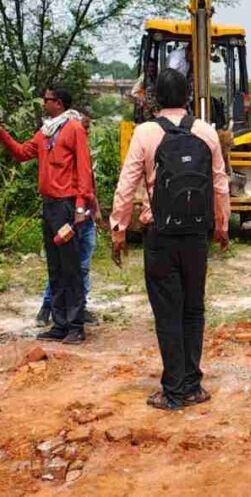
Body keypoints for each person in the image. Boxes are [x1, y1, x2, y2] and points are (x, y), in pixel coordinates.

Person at [110, 68, 230, 411]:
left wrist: (118, 231)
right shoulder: (206, 132)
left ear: (155, 100)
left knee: (167, 312)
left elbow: (126, 184)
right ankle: (192, 384)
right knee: (194, 309)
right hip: (196, 236)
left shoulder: (145, 133)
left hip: (160, 236)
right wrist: (221, 228)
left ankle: (173, 390)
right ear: (188, 98)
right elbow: (219, 184)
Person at [0, 86, 94, 344]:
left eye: (48, 100)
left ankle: (76, 326)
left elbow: (83, 169)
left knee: (71, 266)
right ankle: (60, 323)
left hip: (66, 206)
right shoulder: (45, 132)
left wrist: (79, 206)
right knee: (55, 266)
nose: (44, 103)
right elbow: (21, 153)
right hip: (50, 205)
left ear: (60, 104)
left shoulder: (74, 128)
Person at [37, 108, 102, 327]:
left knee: (76, 266)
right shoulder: (54, 138)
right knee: (63, 265)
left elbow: (87, 181)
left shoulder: (77, 145)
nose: (87, 131)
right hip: (68, 209)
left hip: (78, 211)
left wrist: (89, 210)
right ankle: (56, 313)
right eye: (85, 126)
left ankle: (73, 317)